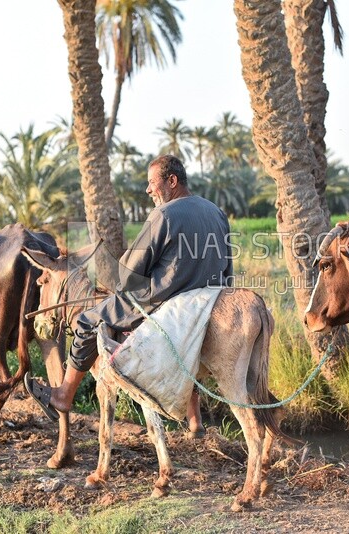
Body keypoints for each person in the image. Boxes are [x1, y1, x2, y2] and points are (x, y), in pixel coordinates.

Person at [25, 154, 233, 437]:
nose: (148, 190)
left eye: (152, 183)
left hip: (160, 299)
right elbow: (227, 271)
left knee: (87, 321)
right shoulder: (216, 212)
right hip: (206, 299)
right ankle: (195, 421)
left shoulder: (164, 215)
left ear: (172, 181)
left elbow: (128, 274)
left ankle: (63, 395)